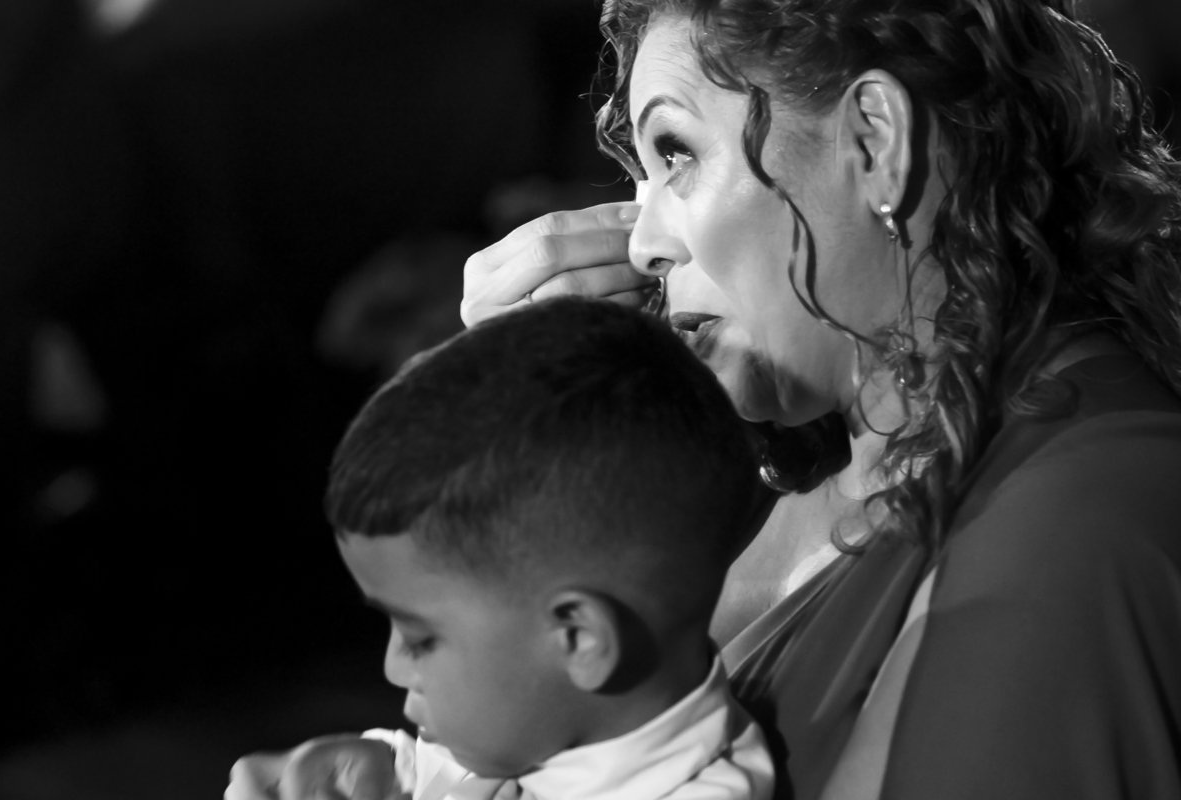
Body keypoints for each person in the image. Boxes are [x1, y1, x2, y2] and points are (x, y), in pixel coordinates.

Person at [228, 1, 1181, 798]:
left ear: (874, 140)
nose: (644, 242)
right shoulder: (778, 455)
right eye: (640, 175)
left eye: (677, 153)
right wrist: (542, 450)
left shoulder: (1082, 514)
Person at [310, 296, 775, 800]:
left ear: (578, 638)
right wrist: (377, 766)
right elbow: (430, 769)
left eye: (420, 639)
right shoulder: (528, 728)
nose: (392, 668)